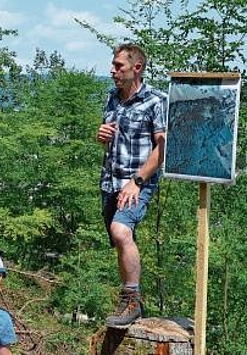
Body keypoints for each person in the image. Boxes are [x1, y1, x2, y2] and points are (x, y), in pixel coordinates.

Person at [94, 43, 167, 328]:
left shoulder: (155, 100)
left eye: (118, 66)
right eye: (113, 65)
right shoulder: (112, 98)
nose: (112, 71)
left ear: (136, 68)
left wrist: (137, 182)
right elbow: (108, 135)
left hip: (137, 182)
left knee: (121, 231)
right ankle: (128, 299)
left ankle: (132, 300)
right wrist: (101, 135)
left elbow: (162, 148)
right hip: (110, 182)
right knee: (118, 240)